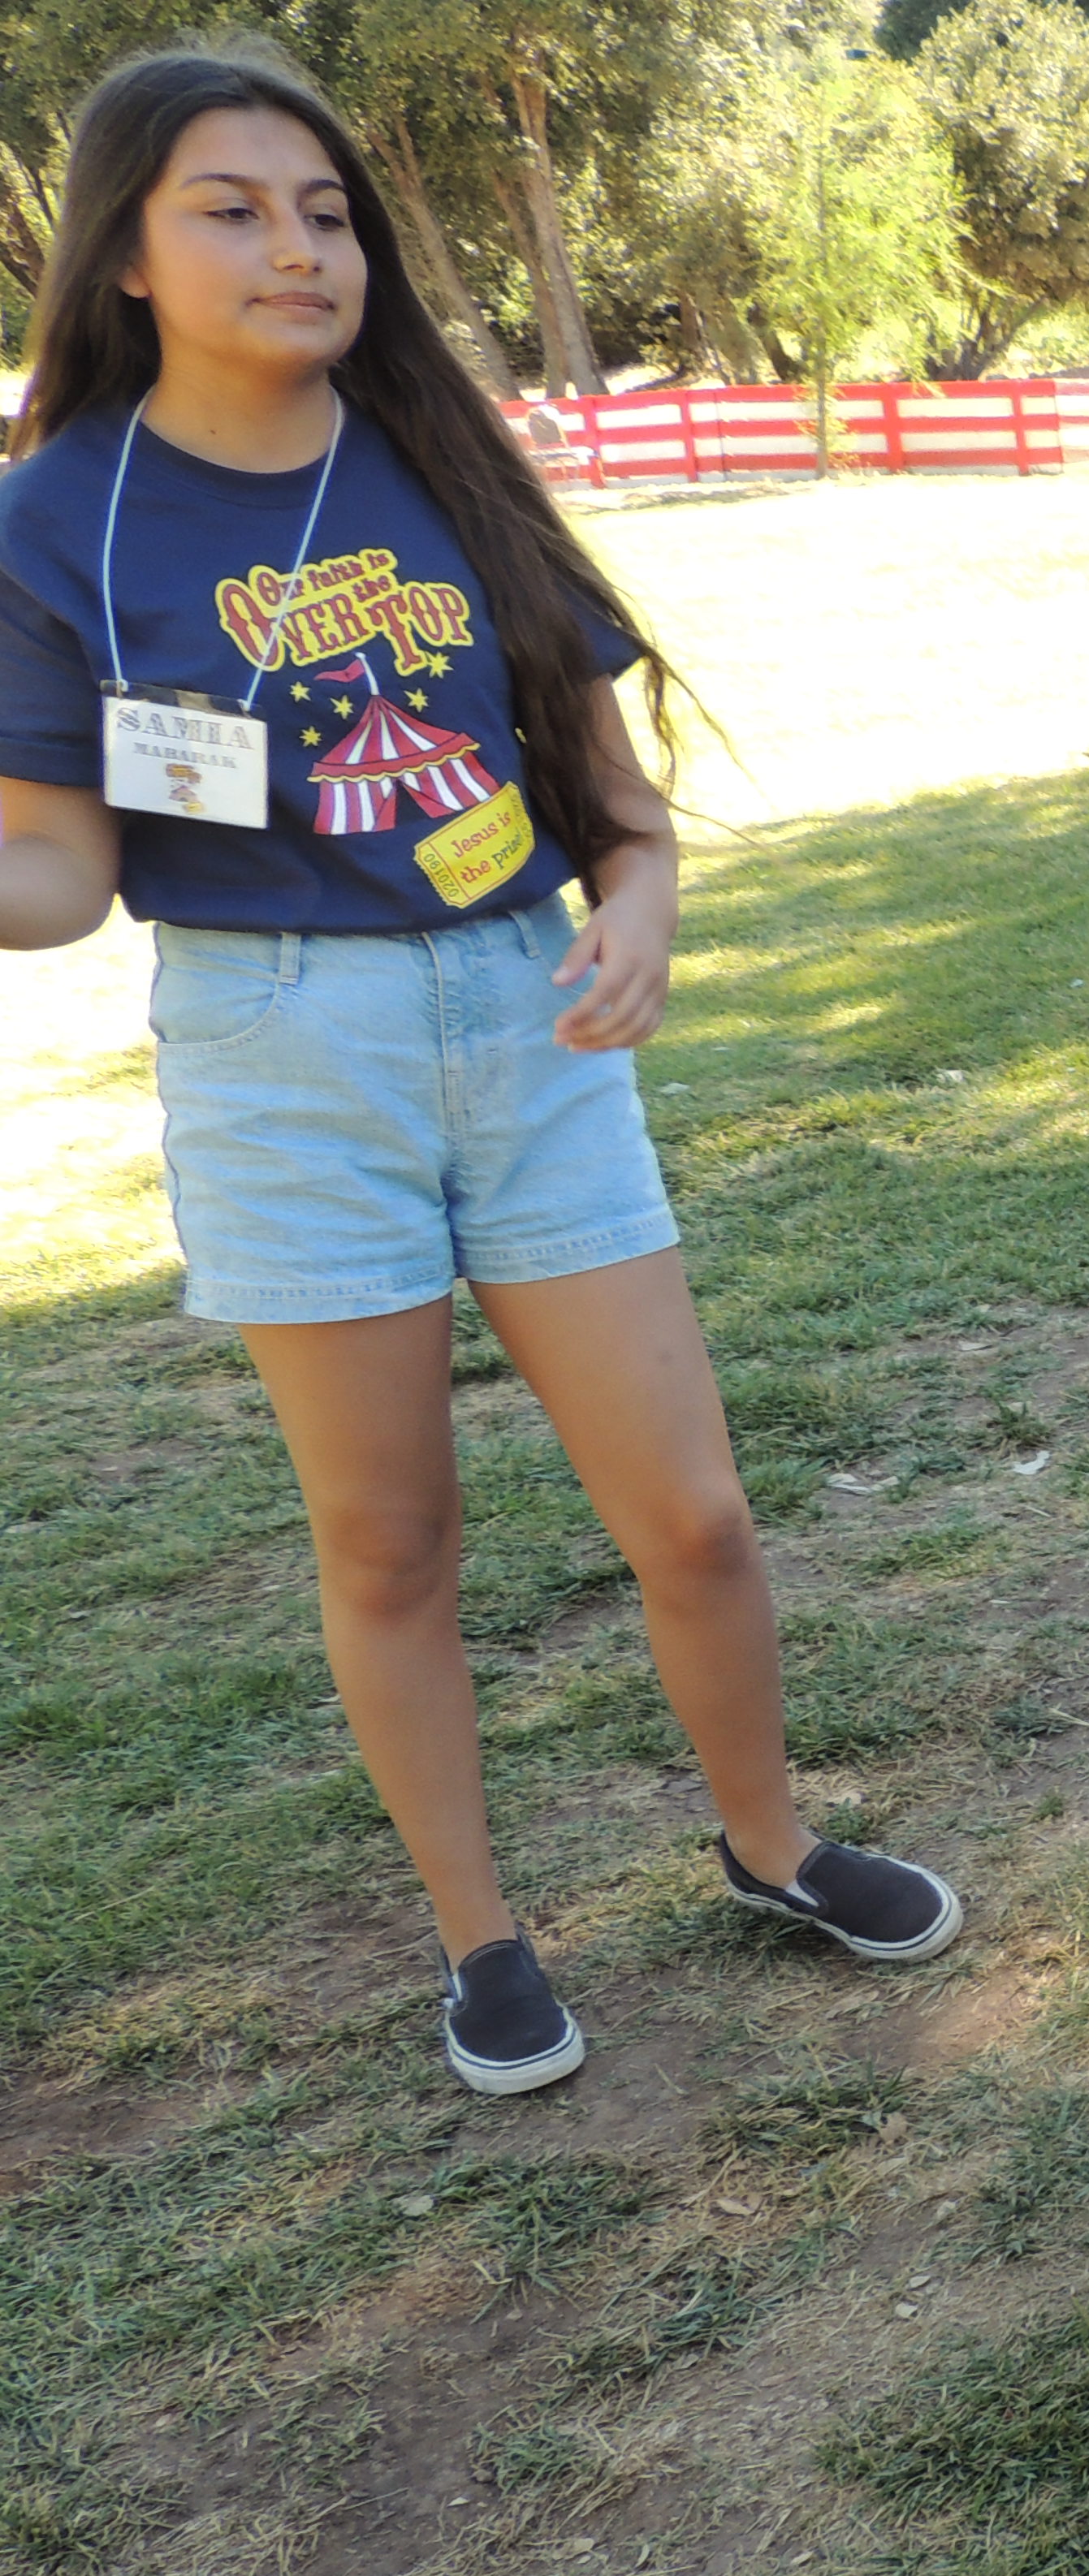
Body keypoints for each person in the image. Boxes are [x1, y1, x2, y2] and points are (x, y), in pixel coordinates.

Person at [0, 46, 966, 2099]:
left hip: (521, 1019)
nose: (297, 244)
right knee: (393, 1540)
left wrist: (640, 900)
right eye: (233, 208)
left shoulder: (442, 445)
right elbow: (62, 882)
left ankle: (770, 1841)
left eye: (325, 207)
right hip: (280, 1051)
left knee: (692, 1516)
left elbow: (613, 794)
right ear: (130, 255)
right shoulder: (57, 516)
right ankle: (483, 1937)